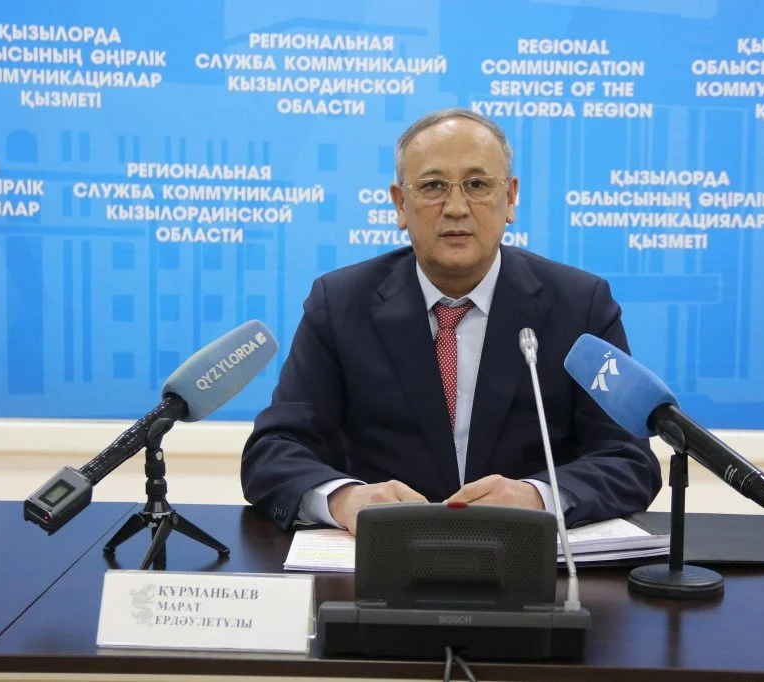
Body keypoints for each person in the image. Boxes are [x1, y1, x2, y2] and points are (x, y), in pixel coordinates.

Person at [241, 108, 661, 534]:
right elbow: (274, 451)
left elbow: (628, 460)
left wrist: (537, 497)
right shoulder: (340, 304)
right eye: (433, 187)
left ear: (510, 198)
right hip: (384, 556)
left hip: (527, 557)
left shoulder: (579, 305)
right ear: (400, 204)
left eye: (477, 185)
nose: (456, 208)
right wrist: (345, 500)